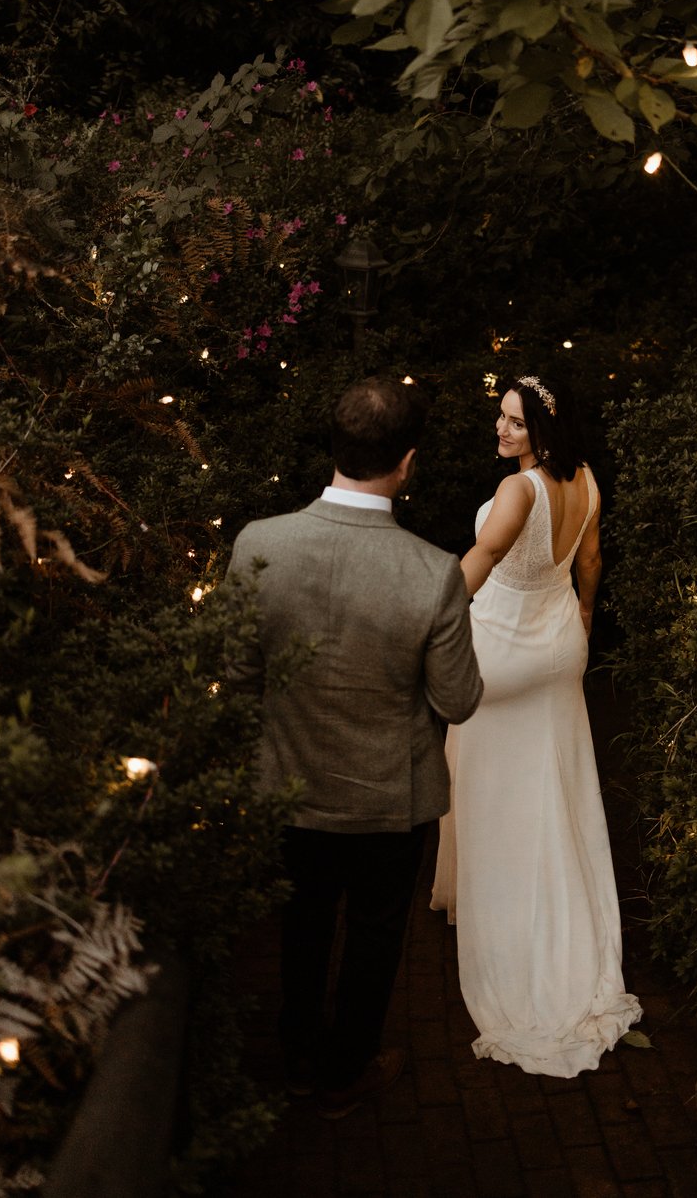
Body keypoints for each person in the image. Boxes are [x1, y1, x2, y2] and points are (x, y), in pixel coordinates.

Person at [226, 376, 482, 1118]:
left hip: (289, 787)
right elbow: (458, 699)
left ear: (334, 449)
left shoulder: (259, 545)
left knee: (301, 924)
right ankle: (344, 1072)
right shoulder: (433, 572)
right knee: (373, 940)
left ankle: (298, 1058)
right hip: (388, 803)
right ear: (407, 463)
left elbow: (234, 672)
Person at [431, 374, 641, 1077]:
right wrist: (581, 624)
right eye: (500, 418)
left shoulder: (521, 491)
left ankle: (502, 911)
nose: (501, 430)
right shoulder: (585, 479)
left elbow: (481, 564)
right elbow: (590, 563)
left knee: (486, 784)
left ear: (543, 429)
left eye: (515, 423)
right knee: (556, 786)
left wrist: (427, 621)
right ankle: (562, 902)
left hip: (501, 654)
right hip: (557, 650)